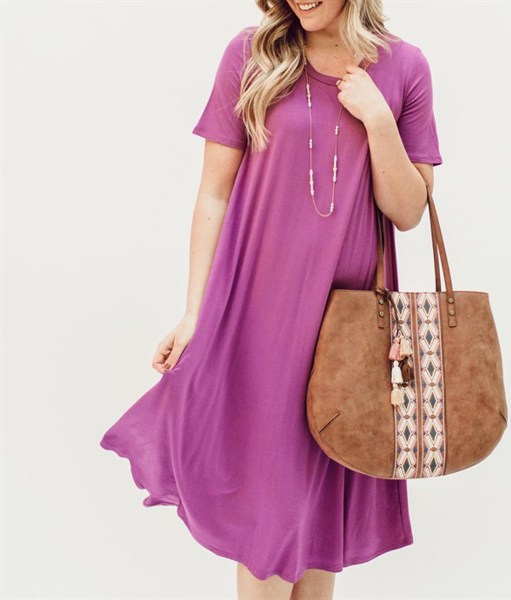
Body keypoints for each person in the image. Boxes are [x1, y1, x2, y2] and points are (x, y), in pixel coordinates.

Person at [100, 0, 443, 598]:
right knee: (270, 523)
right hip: (259, 319)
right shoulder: (251, 54)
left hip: (349, 329)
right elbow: (213, 194)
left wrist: (378, 121)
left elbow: (409, 210)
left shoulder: (405, 66)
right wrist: (194, 312)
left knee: (319, 520)